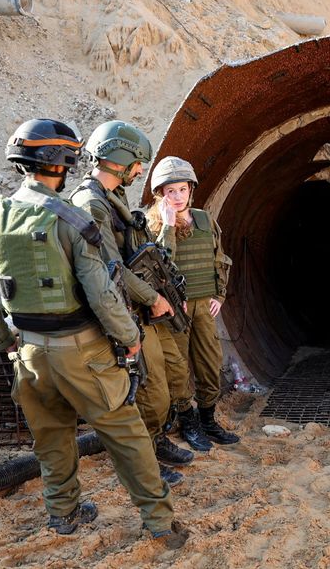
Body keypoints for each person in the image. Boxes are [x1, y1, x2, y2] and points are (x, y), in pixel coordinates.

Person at [0, 119, 186, 547]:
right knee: (127, 435)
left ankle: (62, 514)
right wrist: (129, 338)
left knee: (51, 439)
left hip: (28, 351)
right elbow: (101, 292)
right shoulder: (70, 219)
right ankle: (159, 522)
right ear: (61, 163)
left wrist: (4, 341)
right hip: (84, 352)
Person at [68, 120, 197, 485]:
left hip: (136, 304)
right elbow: (111, 270)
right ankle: (144, 460)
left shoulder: (114, 197)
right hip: (119, 309)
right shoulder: (91, 203)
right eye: (138, 163)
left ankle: (155, 441)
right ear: (121, 160)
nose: (141, 171)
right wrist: (154, 297)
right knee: (139, 387)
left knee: (156, 382)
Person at [146, 156, 241, 449]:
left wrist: (219, 295)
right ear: (161, 193)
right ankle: (188, 423)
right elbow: (159, 265)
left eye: (182, 190)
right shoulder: (153, 224)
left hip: (203, 305)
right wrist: (168, 227)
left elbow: (219, 259)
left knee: (210, 365)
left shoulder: (204, 219)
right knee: (177, 370)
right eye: (170, 191)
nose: (177, 196)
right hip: (175, 309)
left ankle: (209, 420)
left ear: (191, 190)